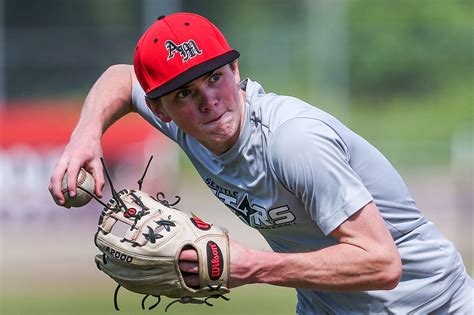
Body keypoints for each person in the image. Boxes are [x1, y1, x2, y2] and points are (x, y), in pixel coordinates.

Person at [49, 12, 473, 314]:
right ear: (161, 109)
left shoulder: (292, 141)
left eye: (214, 77)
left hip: (430, 304)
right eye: (185, 93)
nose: (209, 101)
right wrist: (85, 134)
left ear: (235, 69)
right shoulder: (185, 126)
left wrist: (250, 266)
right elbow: (122, 77)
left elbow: (382, 262)